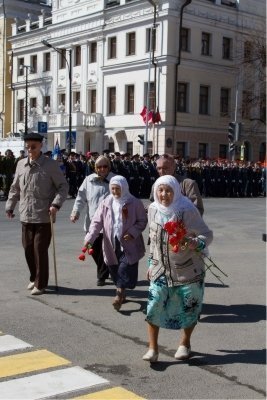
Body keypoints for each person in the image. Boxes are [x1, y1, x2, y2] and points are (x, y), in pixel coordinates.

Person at [143, 175, 213, 362]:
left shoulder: (187, 210)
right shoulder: (152, 209)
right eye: (160, 190)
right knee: (153, 305)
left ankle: (185, 343)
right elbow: (153, 239)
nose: (164, 194)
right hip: (160, 269)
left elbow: (207, 235)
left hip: (187, 270)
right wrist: (151, 263)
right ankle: (153, 349)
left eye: (168, 190)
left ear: (175, 191)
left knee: (190, 308)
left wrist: (194, 243)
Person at [5, 132, 68, 295]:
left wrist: (55, 204)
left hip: (44, 215)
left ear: (41, 146)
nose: (30, 150)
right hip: (26, 213)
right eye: (28, 147)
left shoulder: (50, 165)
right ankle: (34, 277)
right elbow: (14, 188)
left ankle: (41, 284)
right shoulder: (20, 164)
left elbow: (63, 187)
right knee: (27, 249)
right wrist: (10, 206)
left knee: (39, 249)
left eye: (33, 146)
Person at [84, 175, 147, 310]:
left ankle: (118, 295)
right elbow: (97, 222)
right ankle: (122, 292)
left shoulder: (134, 203)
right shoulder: (106, 202)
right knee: (114, 269)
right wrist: (90, 238)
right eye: (112, 189)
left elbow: (142, 221)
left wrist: (132, 232)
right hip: (111, 243)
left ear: (124, 188)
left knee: (124, 267)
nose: (115, 192)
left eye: (117, 189)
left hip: (128, 243)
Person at [70, 155, 115, 286]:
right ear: (95, 168)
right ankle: (106, 269)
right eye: (99, 167)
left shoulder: (115, 179)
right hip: (92, 222)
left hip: (109, 223)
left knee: (107, 250)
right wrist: (75, 212)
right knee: (92, 248)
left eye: (105, 166)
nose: (102, 169)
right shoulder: (88, 180)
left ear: (109, 167)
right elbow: (80, 198)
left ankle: (102, 274)